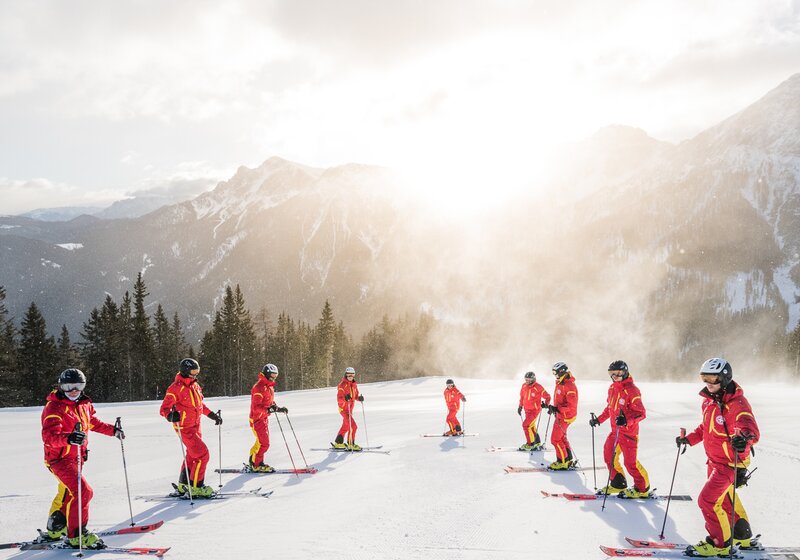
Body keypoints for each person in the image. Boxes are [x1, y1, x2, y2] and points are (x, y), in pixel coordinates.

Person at [676, 358, 760, 557]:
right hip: (714, 460)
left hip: (730, 462)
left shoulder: (737, 404)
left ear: (725, 377)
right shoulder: (709, 401)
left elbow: (749, 428)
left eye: (713, 378)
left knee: (707, 501)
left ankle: (719, 544)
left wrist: (744, 440)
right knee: (724, 500)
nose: (709, 383)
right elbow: (705, 428)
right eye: (705, 378)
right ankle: (742, 535)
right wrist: (689, 439)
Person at [40, 368, 123, 549]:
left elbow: (92, 422)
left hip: (76, 458)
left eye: (78, 386)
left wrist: (113, 431)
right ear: (61, 386)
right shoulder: (54, 408)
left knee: (69, 494)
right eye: (69, 386)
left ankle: (57, 528)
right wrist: (68, 438)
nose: (74, 391)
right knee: (83, 492)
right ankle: (77, 535)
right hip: (59, 459)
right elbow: (49, 438)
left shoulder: (83, 404)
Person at [159, 358, 222, 498]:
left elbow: (200, 406)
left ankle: (184, 484)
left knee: (192, 455)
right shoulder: (175, 388)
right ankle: (196, 486)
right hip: (184, 428)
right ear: (185, 371)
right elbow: (164, 408)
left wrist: (212, 415)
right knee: (202, 454)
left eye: (197, 372)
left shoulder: (195, 386)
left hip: (196, 426)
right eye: (193, 372)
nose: (195, 375)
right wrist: (170, 416)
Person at [590, 360, 651, 497]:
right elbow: (609, 408)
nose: (615, 376)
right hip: (615, 432)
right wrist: (598, 419)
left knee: (631, 464)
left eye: (618, 373)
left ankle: (643, 489)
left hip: (629, 434)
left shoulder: (632, 390)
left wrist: (626, 421)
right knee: (608, 457)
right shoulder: (612, 389)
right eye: (612, 374)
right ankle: (618, 483)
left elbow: (641, 413)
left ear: (625, 372)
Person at [248, 363, 288, 472]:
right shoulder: (259, 387)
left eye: (276, 375)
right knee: (264, 443)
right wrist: (268, 410)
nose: (274, 377)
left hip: (263, 418)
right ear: (266, 374)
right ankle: (257, 465)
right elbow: (256, 407)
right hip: (257, 419)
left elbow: (269, 402)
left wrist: (277, 408)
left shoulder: (269, 387)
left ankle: (253, 460)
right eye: (272, 375)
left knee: (261, 442)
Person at [546, 361, 578, 470]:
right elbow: (560, 401)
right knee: (562, 438)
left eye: (555, 373)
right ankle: (568, 459)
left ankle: (562, 461)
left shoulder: (569, 385)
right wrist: (551, 408)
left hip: (566, 416)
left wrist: (557, 409)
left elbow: (571, 406)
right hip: (561, 415)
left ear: (561, 371)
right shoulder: (561, 382)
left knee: (555, 439)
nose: (554, 375)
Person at [518, 371, 550, 451]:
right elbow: (522, 397)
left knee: (526, 425)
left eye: (529, 380)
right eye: (526, 379)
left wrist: (546, 404)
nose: (527, 381)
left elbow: (547, 396)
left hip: (534, 410)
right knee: (531, 425)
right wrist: (520, 406)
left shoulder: (538, 387)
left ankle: (530, 444)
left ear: (533, 379)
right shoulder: (524, 386)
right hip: (527, 410)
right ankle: (537, 441)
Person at [333, 367, 364, 451]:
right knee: (353, 426)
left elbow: (355, 396)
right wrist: (345, 398)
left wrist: (359, 398)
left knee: (346, 426)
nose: (350, 376)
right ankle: (351, 444)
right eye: (349, 375)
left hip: (350, 409)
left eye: (352, 375)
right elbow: (339, 399)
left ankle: (338, 443)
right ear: (345, 375)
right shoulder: (342, 385)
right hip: (343, 409)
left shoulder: (354, 384)